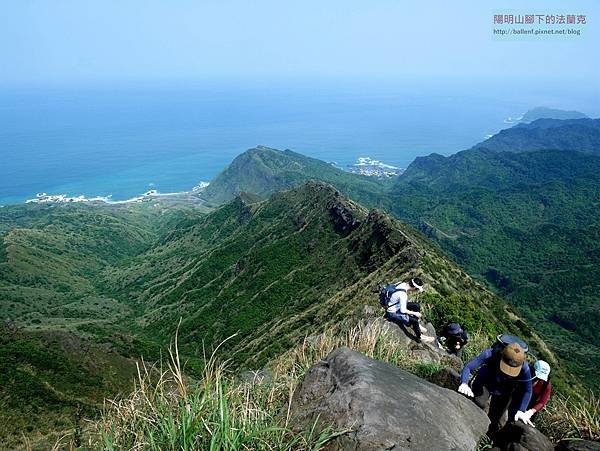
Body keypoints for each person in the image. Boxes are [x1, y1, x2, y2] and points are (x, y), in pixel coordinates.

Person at [458, 342, 533, 435]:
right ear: (501, 355)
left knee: (495, 419)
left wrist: (522, 410)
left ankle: (486, 436)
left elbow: (528, 390)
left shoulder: (524, 368)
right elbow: (469, 366)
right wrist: (464, 383)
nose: (508, 373)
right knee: (479, 403)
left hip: (505, 390)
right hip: (485, 382)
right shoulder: (490, 354)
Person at [382, 277, 434, 343]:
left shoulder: (402, 283)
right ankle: (420, 337)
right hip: (392, 312)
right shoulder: (403, 295)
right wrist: (415, 313)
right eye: (417, 290)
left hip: (394, 305)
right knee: (414, 320)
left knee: (416, 306)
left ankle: (416, 326)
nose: (416, 291)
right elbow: (403, 311)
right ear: (415, 288)